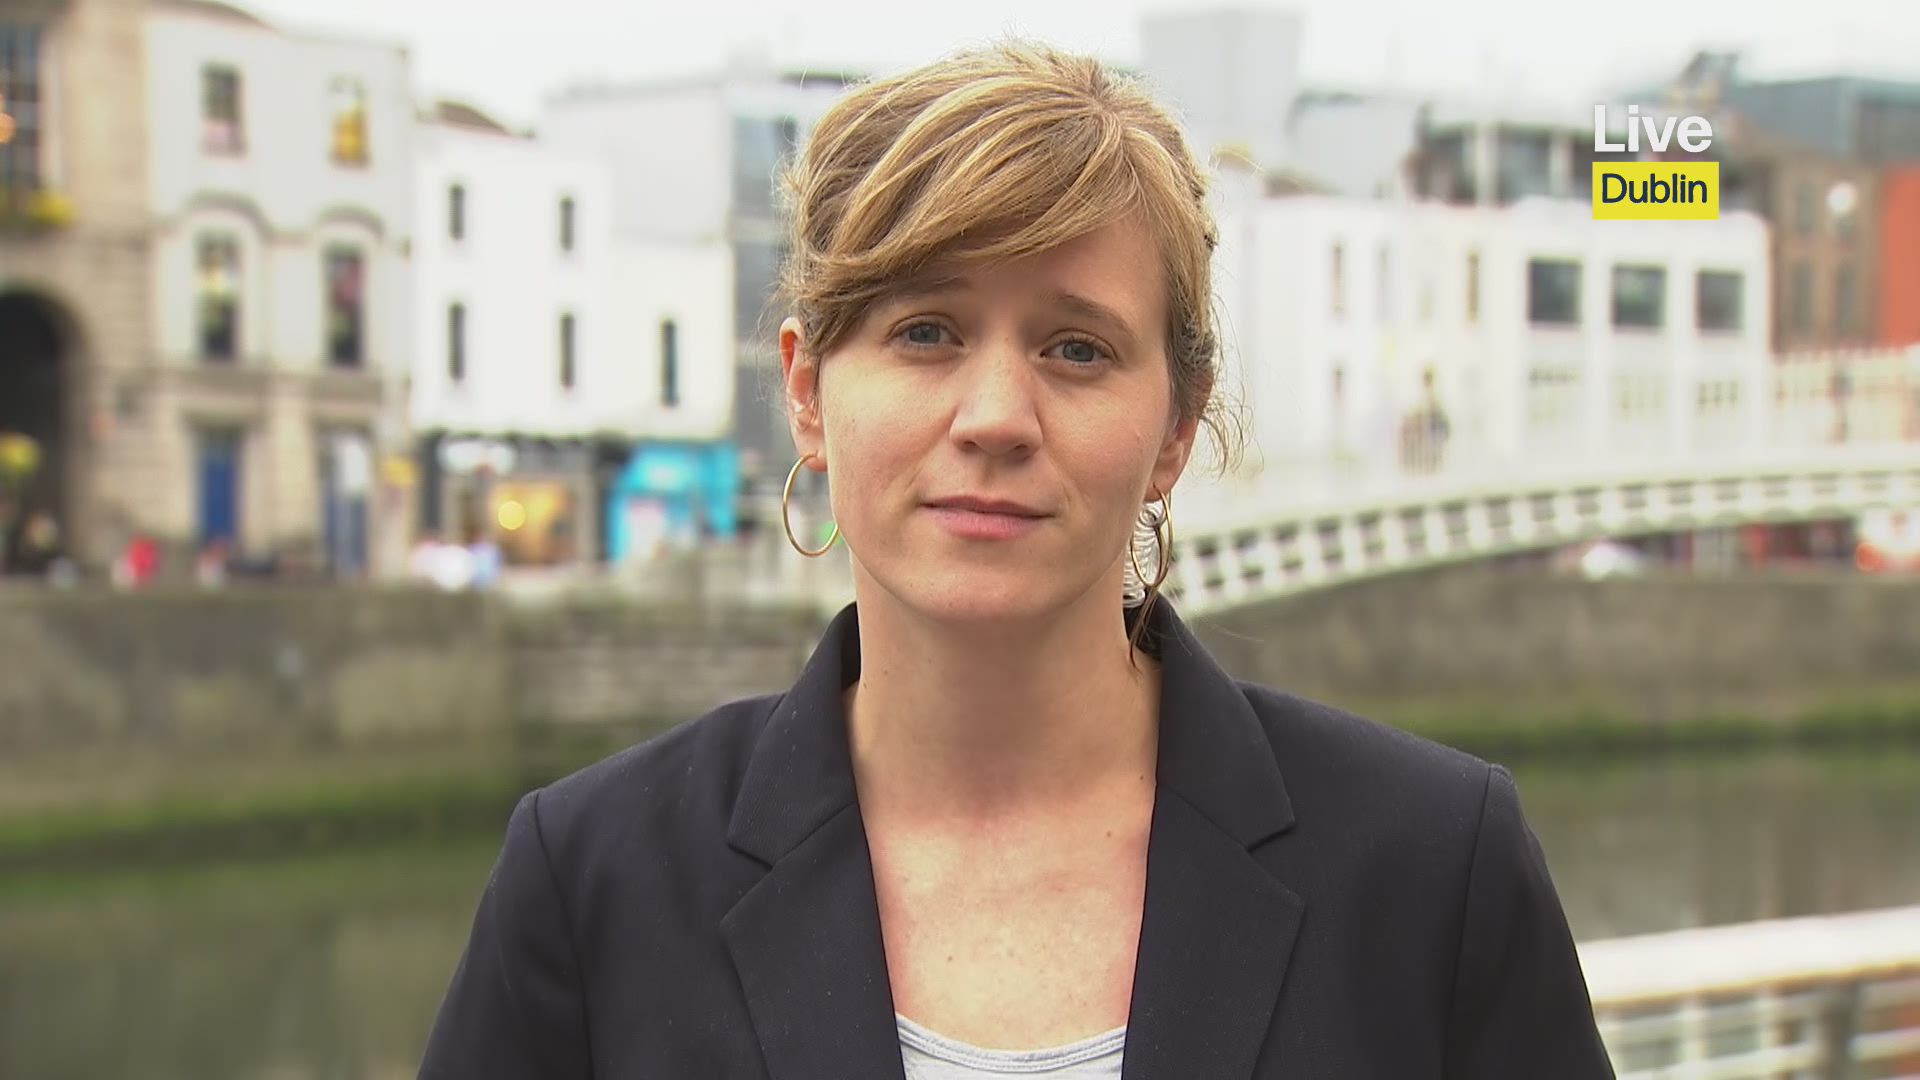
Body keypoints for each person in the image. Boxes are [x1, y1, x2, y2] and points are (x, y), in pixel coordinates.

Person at [421, 42, 1613, 1078]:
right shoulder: (592, 882)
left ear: (1177, 427)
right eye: (925, 332)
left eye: (1076, 349)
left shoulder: (1431, 870)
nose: (995, 415)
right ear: (808, 392)